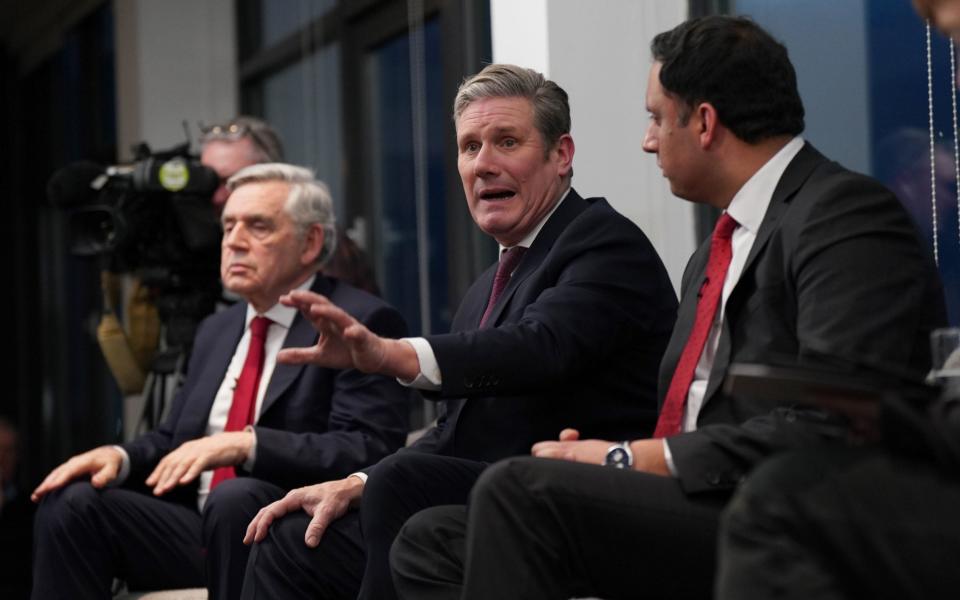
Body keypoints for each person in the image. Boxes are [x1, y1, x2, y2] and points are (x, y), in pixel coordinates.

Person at [388, 16, 948, 600]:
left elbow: (835, 423)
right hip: (700, 493)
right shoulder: (716, 247)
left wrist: (632, 459)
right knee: (433, 538)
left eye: (656, 118)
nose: (647, 140)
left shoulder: (841, 214)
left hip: (777, 502)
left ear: (703, 123)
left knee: (517, 493)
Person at [238, 64, 679, 600]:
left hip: (581, 503)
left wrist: (391, 355)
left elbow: (540, 347)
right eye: (470, 148)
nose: (484, 164)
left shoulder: (604, 243)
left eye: (507, 142)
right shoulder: (485, 287)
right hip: (479, 494)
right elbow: (452, 433)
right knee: (287, 540)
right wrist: (356, 482)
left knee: (404, 494)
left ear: (561, 155)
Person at [30, 164, 411, 600]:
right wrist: (120, 455)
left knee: (235, 497)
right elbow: (177, 439)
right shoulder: (217, 328)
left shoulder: (359, 321)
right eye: (228, 226)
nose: (233, 241)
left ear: (311, 243)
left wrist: (248, 444)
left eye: (258, 226)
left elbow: (366, 447)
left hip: (287, 528)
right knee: (72, 503)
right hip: (197, 524)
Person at [714, 3, 960, 597]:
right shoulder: (711, 255)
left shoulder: (845, 216)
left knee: (782, 501)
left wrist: (908, 418)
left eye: (956, 38)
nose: (954, 76)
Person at [200, 115, 380, 294]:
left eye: (234, 182)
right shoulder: (203, 236)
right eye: (209, 182)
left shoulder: (314, 242)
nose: (217, 197)